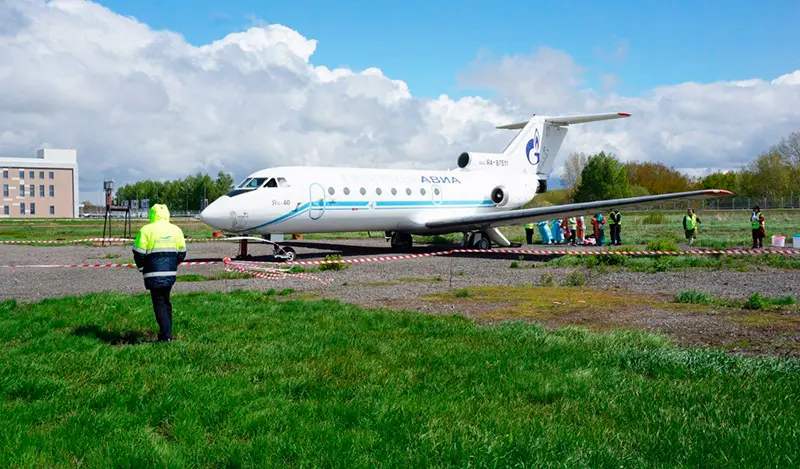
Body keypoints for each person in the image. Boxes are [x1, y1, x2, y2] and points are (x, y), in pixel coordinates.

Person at [133, 204, 187, 342]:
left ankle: (165, 336)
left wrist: (141, 268)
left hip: (152, 273)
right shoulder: (176, 230)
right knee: (166, 301)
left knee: (159, 302)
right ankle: (167, 333)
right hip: (170, 273)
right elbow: (182, 253)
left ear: (152, 214)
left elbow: (138, 252)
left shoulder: (146, 230)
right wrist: (172, 264)